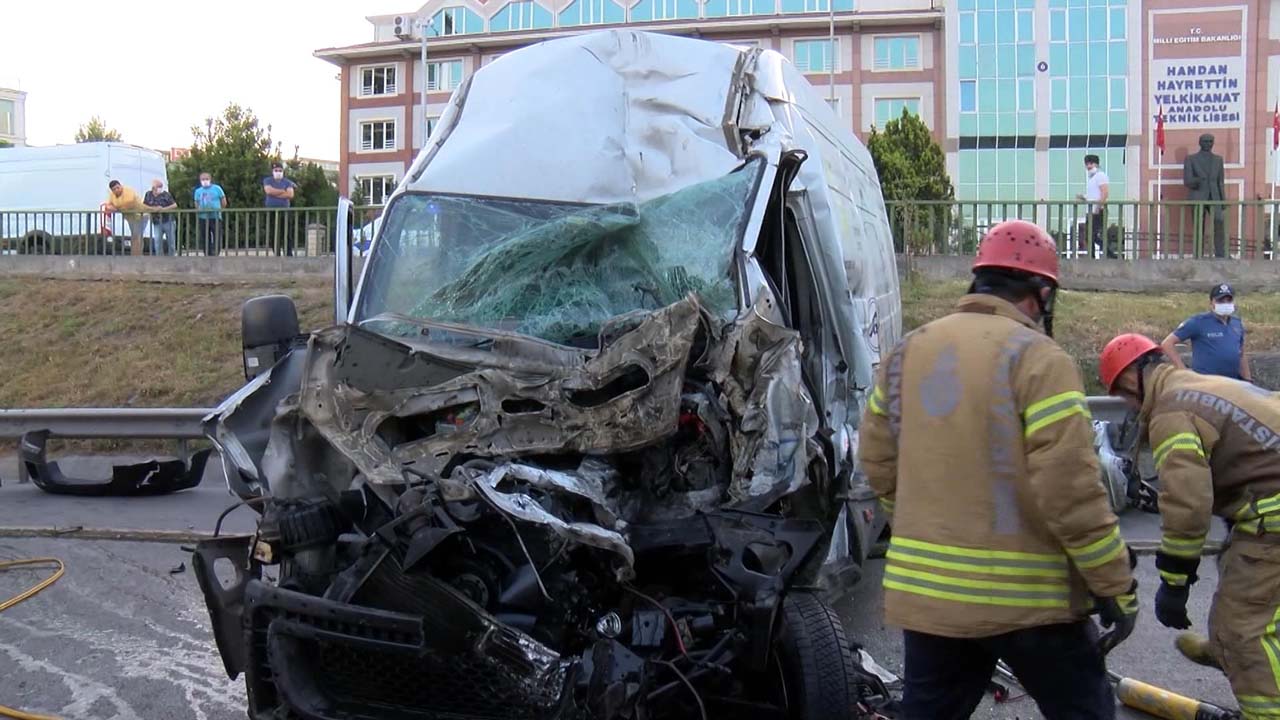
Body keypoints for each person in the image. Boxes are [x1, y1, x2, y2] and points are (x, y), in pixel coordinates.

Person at [859, 219, 1138, 720]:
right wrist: (1113, 583)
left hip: (932, 598)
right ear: (1040, 292)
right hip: (1032, 601)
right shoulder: (1038, 359)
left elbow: (877, 461)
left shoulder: (906, 353)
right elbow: (1071, 491)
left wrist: (919, 522)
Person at [1099, 333, 1280, 717]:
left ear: (1134, 376)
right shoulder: (1197, 385)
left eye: (1122, 395)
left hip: (1273, 515)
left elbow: (1188, 505)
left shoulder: (1171, 410)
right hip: (1263, 511)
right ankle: (1226, 649)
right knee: (1240, 576)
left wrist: (1174, 582)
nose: (1127, 405)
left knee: (1244, 628)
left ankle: (1260, 700)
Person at [1161, 283, 1251, 382]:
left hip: (1233, 382)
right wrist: (1183, 370)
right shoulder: (1198, 322)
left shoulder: (1236, 323)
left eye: (1228, 300)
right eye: (1220, 301)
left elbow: (1241, 354)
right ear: (1211, 303)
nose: (1225, 304)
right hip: (1206, 384)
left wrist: (1247, 380)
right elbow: (1167, 343)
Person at [1076, 154, 1113, 259]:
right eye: (1087, 164)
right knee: (1089, 235)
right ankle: (1093, 256)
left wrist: (1098, 207)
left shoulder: (1101, 176)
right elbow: (1092, 195)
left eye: (1090, 164)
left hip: (1098, 210)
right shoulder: (1091, 179)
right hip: (1090, 210)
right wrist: (1083, 197)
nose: (1088, 166)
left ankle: (1110, 254)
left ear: (1096, 164)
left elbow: (1104, 193)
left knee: (1093, 235)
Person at [103, 180, 149, 256]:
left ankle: (137, 255)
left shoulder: (128, 191)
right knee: (134, 236)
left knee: (137, 235)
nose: (117, 190)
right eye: (114, 189)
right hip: (130, 217)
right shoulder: (112, 195)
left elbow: (129, 203)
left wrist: (117, 208)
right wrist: (117, 208)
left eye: (118, 187)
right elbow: (108, 205)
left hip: (141, 215)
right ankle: (135, 255)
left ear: (120, 185)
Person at [262, 162, 297, 256]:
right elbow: (269, 191)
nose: (278, 172)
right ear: (272, 171)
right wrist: (282, 191)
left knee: (286, 232)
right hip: (271, 210)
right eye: (276, 170)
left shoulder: (287, 182)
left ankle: (288, 253)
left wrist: (275, 193)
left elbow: (290, 194)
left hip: (285, 210)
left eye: (280, 170)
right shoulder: (268, 180)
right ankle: (276, 253)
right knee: (273, 232)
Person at [194, 172, 227, 257]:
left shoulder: (217, 188)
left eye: (206, 179)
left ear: (210, 179)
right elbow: (196, 202)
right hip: (203, 217)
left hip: (215, 216)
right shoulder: (198, 191)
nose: (205, 181)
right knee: (205, 236)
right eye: (203, 179)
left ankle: (216, 253)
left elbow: (223, 200)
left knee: (217, 235)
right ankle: (207, 253)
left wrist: (220, 210)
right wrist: (199, 210)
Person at [143, 178, 178, 256]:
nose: (160, 188)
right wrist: (153, 209)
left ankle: (171, 258)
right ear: (153, 188)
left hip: (168, 221)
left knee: (171, 241)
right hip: (156, 222)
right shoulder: (148, 194)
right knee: (157, 242)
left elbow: (174, 205)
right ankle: (159, 258)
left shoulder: (166, 194)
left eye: (161, 186)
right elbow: (144, 205)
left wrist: (163, 209)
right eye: (158, 186)